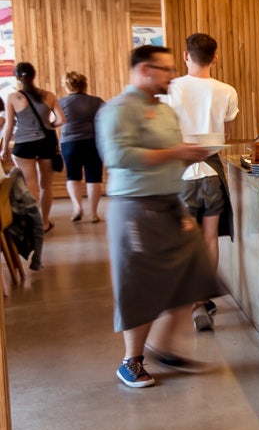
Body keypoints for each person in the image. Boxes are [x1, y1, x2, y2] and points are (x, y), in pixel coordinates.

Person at [96, 45, 220, 388]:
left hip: (171, 200)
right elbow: (119, 155)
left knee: (194, 272)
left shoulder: (165, 111)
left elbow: (169, 153)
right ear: (145, 70)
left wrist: (185, 156)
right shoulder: (117, 110)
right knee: (139, 284)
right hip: (134, 205)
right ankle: (130, 361)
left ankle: (162, 346)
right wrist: (176, 152)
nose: (171, 76)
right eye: (165, 70)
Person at [164, 33, 239, 332]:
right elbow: (227, 133)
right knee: (209, 238)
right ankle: (203, 299)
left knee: (184, 241)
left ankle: (191, 302)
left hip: (180, 173)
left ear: (185, 55)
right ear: (215, 57)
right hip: (211, 171)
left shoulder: (171, 88)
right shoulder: (227, 90)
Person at [1, 61, 66, 231]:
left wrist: (4, 147)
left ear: (17, 77)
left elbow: (9, 125)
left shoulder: (13, 97)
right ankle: (44, 223)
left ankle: (33, 224)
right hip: (45, 144)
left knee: (30, 185)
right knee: (46, 186)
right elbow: (61, 120)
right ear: (34, 75)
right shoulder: (49, 95)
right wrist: (49, 126)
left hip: (23, 145)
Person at [58, 71, 106, 223]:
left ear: (67, 86)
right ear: (84, 84)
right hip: (92, 141)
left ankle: (77, 207)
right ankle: (93, 213)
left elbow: (53, 121)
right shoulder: (97, 101)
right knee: (94, 178)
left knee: (73, 176)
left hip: (69, 143)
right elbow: (105, 120)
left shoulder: (61, 103)